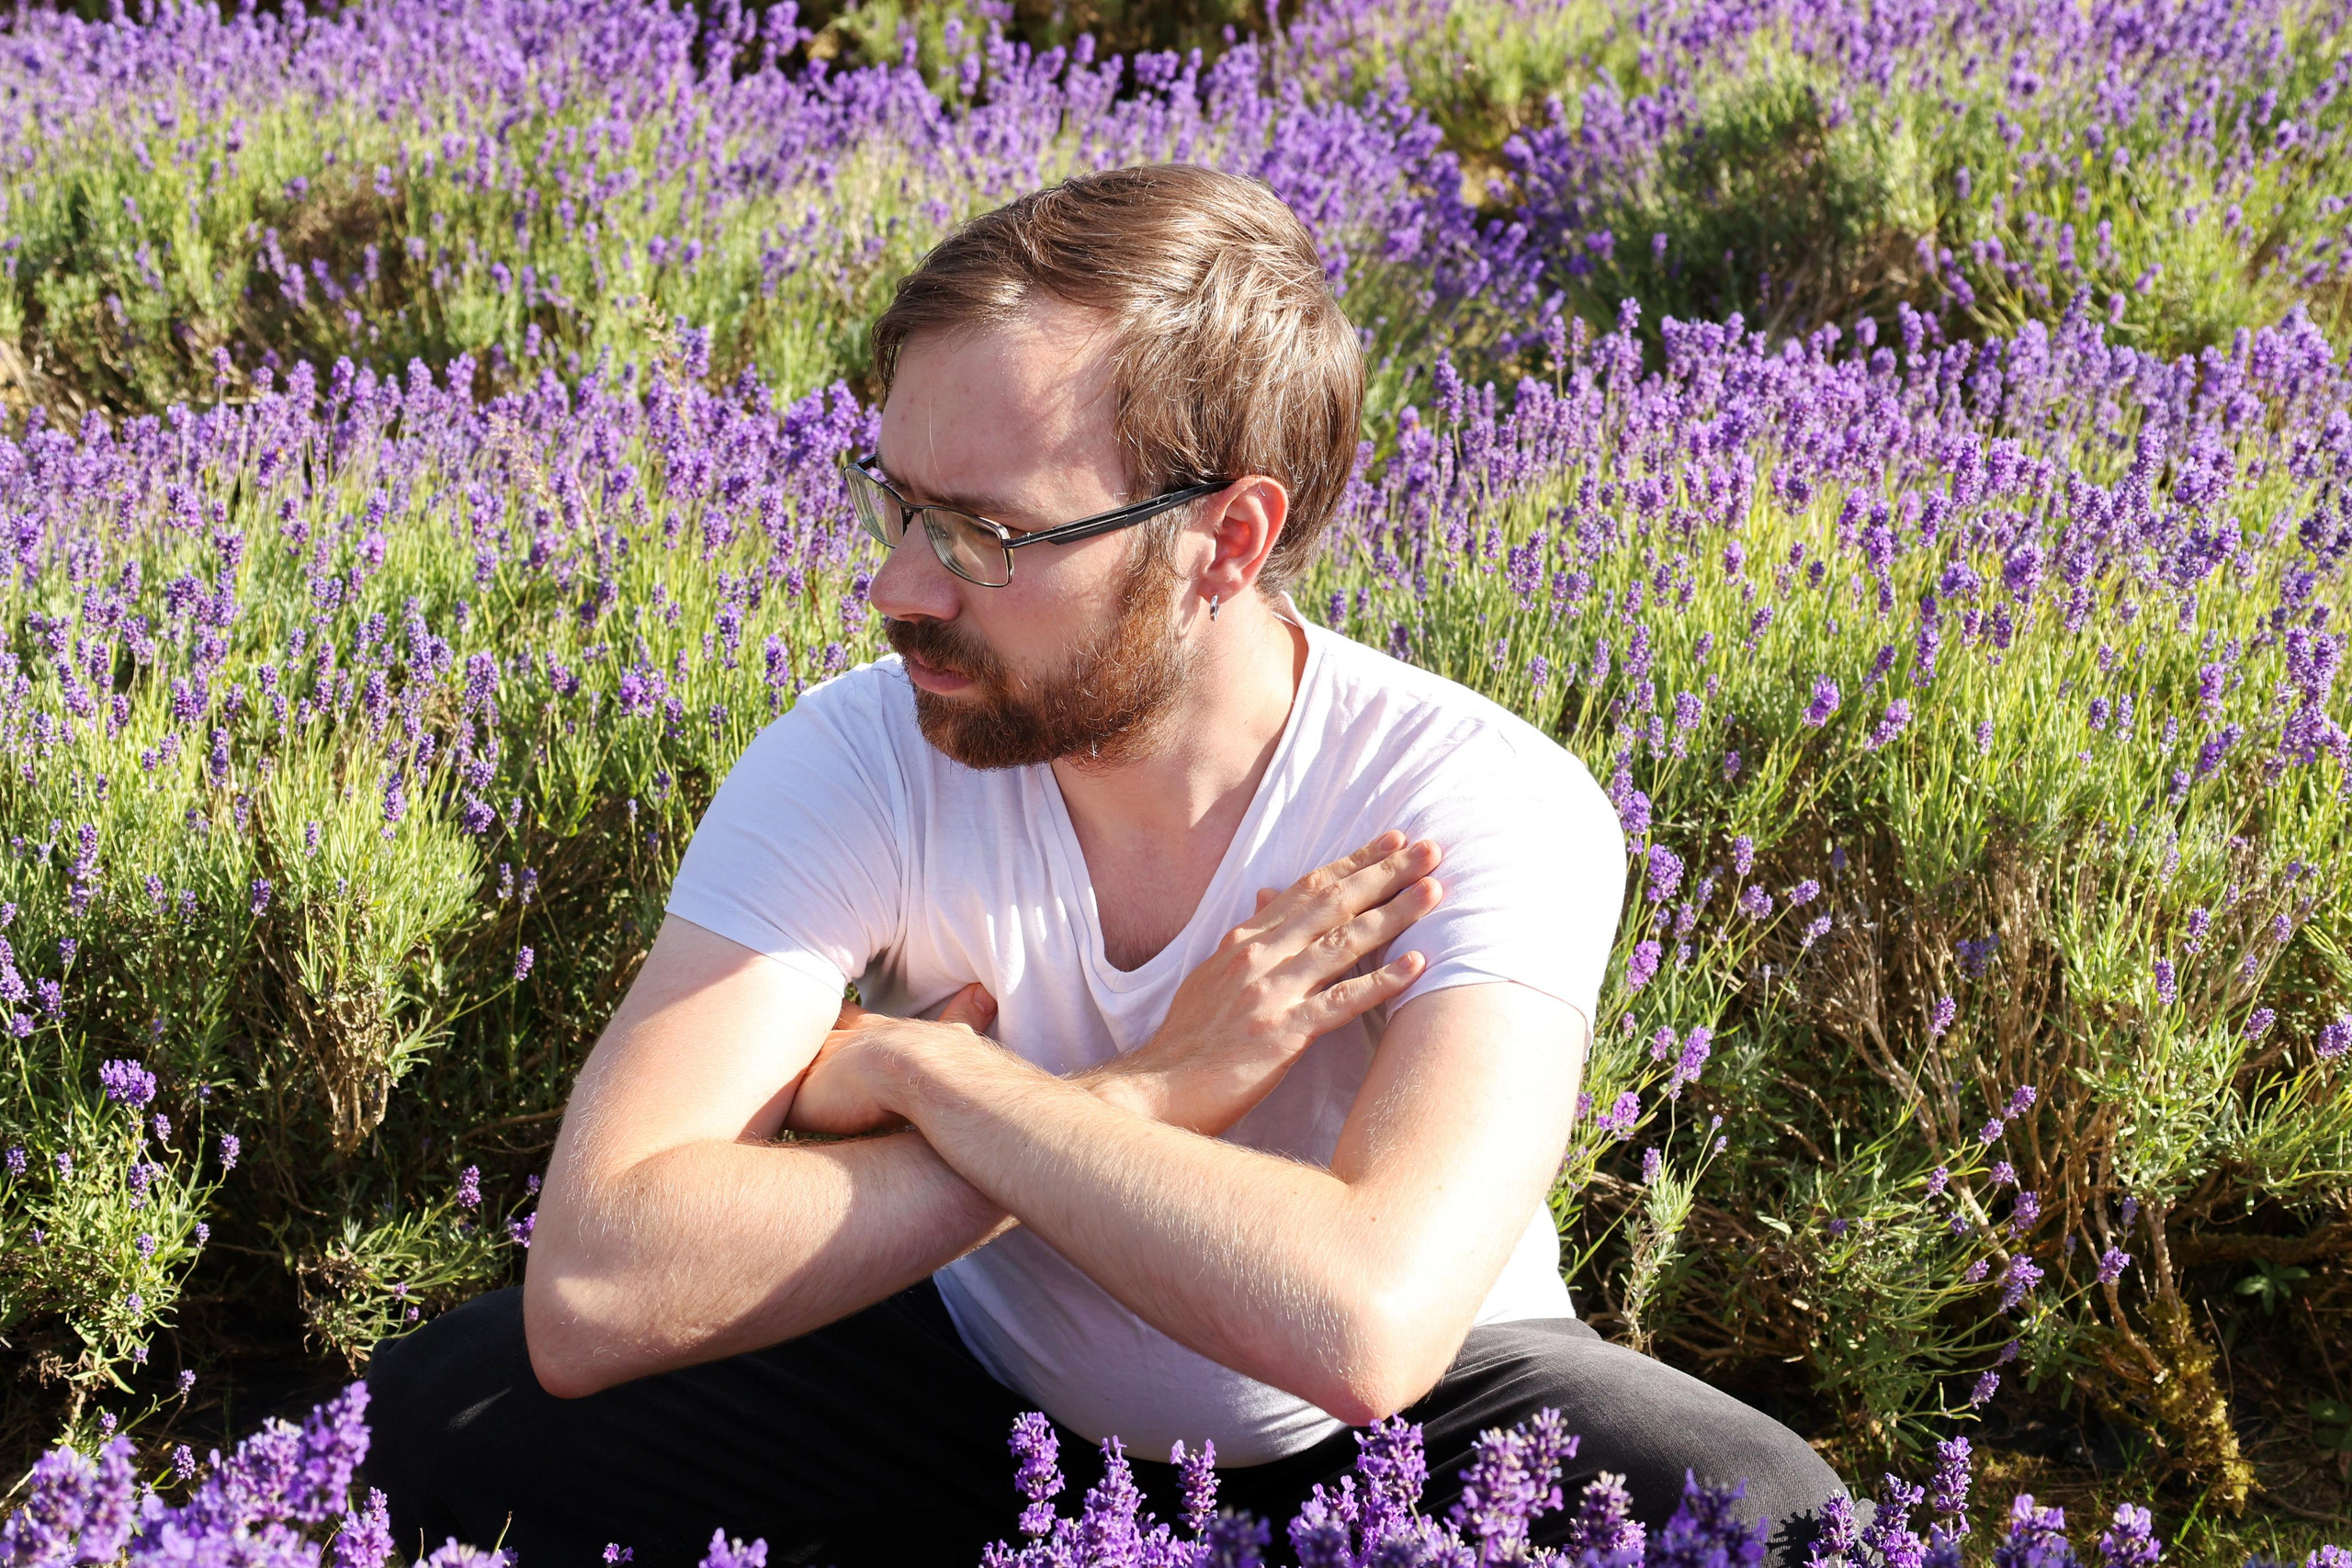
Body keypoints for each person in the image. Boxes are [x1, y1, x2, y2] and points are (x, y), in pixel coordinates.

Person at [364, 163, 1849, 1567]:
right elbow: (596, 1284)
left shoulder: (1469, 800)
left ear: (1226, 541)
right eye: (898, 503)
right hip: (977, 1392)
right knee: (445, 1412)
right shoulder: (861, 753)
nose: (898, 585)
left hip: (1407, 1435)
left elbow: (1368, 1323)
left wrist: (933, 1073)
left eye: (987, 535)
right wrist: (1144, 1094)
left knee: (1761, 1514)